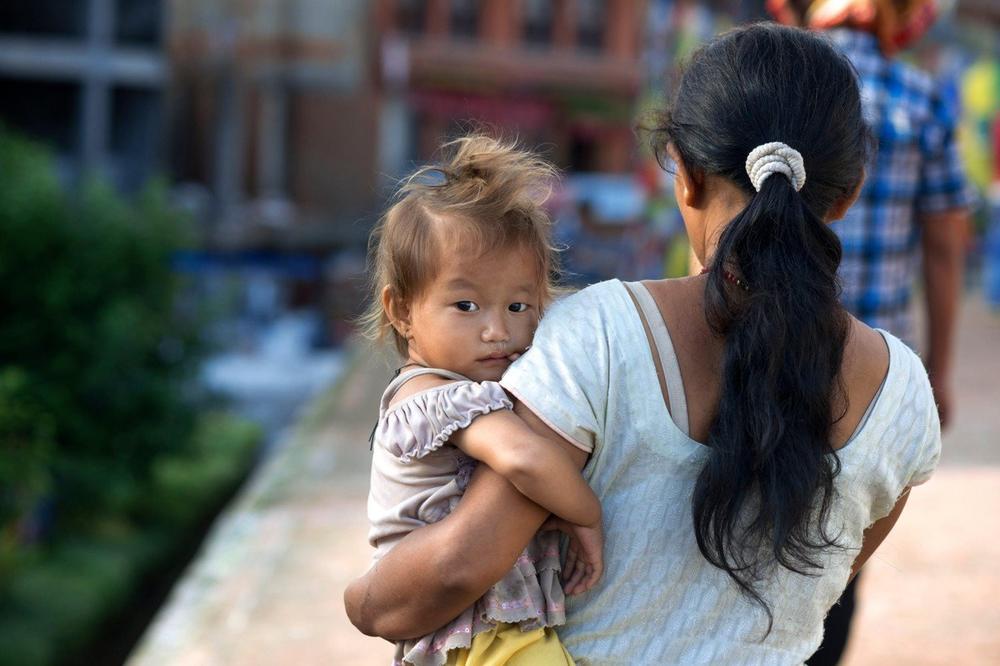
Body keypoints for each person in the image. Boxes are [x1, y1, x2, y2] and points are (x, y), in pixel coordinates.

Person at [346, 24, 943, 663]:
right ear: (849, 194)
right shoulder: (904, 397)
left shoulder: (599, 337)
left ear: (682, 176)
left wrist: (362, 601)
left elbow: (454, 571)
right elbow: (825, 587)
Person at [766, 2, 974, 662]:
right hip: (871, 379)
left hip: (764, 352)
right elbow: (945, 248)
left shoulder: (771, 84)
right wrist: (936, 373)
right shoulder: (922, 98)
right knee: (838, 549)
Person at [358, 134, 603, 666]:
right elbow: (525, 457)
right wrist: (586, 516)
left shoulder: (457, 387)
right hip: (477, 637)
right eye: (465, 305)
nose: (498, 330)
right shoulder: (437, 396)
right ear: (400, 310)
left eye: (520, 305)